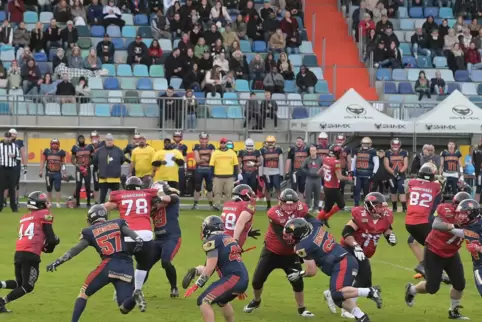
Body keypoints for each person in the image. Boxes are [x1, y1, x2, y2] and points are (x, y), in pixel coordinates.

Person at [45, 205, 143, 322]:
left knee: (83, 294)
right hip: (127, 267)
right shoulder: (118, 222)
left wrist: (58, 261)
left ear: (91, 218)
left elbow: (76, 249)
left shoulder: (89, 231)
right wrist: (138, 241)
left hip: (109, 264)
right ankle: (135, 297)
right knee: (123, 308)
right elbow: (134, 236)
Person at [284, 217, 383, 322]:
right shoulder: (315, 225)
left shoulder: (303, 246)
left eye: (291, 234)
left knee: (336, 293)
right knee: (337, 299)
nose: (288, 236)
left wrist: (299, 274)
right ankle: (361, 317)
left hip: (341, 262)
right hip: (344, 259)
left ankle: (370, 291)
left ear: (300, 233)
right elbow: (316, 220)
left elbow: (311, 271)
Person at [243, 189, 314, 317]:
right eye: (286, 204)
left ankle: (302, 308)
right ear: (280, 203)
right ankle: (256, 300)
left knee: (297, 282)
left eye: (292, 204)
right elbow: (284, 239)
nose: (289, 207)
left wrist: (317, 226)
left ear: (297, 203)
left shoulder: (302, 209)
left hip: (291, 254)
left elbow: (312, 221)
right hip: (272, 251)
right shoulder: (273, 214)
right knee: (257, 281)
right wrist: (303, 248)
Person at [324, 192, 394, 318]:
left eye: (382, 206)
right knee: (352, 275)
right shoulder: (361, 215)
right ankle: (347, 308)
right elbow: (346, 232)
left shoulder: (386, 216)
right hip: (349, 248)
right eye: (378, 206)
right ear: (369, 206)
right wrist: (355, 246)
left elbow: (386, 228)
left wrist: (390, 237)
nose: (381, 209)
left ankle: (332, 293)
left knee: (365, 280)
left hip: (364, 251)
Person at [405, 192, 472, 320]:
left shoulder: (472, 217)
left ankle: (454, 310)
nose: (466, 212)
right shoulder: (445, 209)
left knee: (459, 284)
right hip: (434, 251)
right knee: (432, 287)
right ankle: (412, 289)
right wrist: (454, 226)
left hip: (452, 253)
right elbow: (436, 224)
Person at [104, 177, 162, 312]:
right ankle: (137, 289)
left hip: (128, 234)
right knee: (142, 266)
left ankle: (119, 291)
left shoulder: (119, 194)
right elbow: (160, 195)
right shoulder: (148, 193)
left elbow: (107, 205)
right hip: (146, 235)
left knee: (121, 264)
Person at [183, 185, 260, 285]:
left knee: (210, 267)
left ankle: (196, 270)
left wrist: (247, 232)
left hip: (219, 239)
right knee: (231, 274)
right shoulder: (247, 206)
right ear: (245, 194)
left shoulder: (228, 204)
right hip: (229, 244)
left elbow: (227, 224)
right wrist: (235, 240)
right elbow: (240, 222)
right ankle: (221, 297)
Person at [0, 191, 59, 313]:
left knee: (19, 283)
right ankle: (2, 302)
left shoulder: (24, 217)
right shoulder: (44, 214)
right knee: (27, 286)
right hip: (30, 254)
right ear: (41, 204)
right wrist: (51, 246)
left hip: (19, 252)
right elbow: (51, 239)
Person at [183, 216, 249, 322]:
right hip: (242, 278)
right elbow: (211, 266)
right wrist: (196, 270)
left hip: (233, 278)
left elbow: (210, 267)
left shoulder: (212, 241)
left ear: (208, 228)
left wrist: (197, 284)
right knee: (222, 302)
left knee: (204, 301)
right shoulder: (227, 237)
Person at [405, 163, 442, 278]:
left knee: (414, 241)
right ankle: (428, 268)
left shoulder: (412, 183)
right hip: (426, 218)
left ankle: (426, 267)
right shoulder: (436, 186)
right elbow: (437, 186)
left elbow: (408, 192)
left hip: (415, 219)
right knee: (436, 245)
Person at [146, 181, 182, 298]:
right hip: (158, 238)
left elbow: (166, 199)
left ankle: (174, 287)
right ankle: (135, 288)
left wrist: (158, 193)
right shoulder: (153, 205)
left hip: (172, 237)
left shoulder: (173, 198)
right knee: (144, 264)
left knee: (166, 262)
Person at [317, 145, 352, 226]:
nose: (341, 154)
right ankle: (326, 217)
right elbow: (340, 177)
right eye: (341, 152)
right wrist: (349, 178)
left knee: (327, 207)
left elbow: (319, 172)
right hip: (333, 188)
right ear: (338, 153)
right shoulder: (336, 162)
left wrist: (327, 178)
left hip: (326, 186)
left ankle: (317, 220)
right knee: (341, 204)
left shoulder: (326, 159)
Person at [92, 134, 125, 203]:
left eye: (111, 140)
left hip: (115, 178)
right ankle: (101, 209)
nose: (109, 141)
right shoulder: (99, 151)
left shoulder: (119, 150)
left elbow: (122, 160)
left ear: (113, 141)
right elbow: (95, 161)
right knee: (102, 196)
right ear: (105, 141)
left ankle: (114, 207)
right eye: (107, 140)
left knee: (115, 196)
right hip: (103, 178)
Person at [210, 137, 240, 209]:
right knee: (217, 192)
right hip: (217, 176)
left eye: (224, 143)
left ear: (226, 144)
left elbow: (235, 165)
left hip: (229, 176)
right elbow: (212, 165)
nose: (223, 144)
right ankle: (217, 205)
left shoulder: (232, 153)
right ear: (219, 143)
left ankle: (227, 206)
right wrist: (212, 176)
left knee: (228, 193)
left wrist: (235, 175)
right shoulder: (215, 153)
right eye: (221, 143)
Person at [460, 201, 482, 297]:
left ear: (473, 213)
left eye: (464, 213)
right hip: (478, 265)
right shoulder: (466, 225)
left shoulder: (480, 225)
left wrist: (478, 248)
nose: (461, 216)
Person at [351, 137, 378, 207]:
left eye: (367, 144)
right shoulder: (357, 150)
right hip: (358, 174)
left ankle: (367, 205)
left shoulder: (373, 151)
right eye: (364, 144)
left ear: (370, 144)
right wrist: (351, 171)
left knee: (367, 192)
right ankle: (356, 205)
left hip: (368, 175)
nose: (365, 145)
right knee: (356, 190)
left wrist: (374, 173)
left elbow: (377, 163)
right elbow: (354, 161)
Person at [39, 138, 66, 208]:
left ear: (58, 145)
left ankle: (57, 202)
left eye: (56, 144)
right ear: (51, 144)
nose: (55, 145)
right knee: (49, 188)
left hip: (57, 173)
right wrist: (41, 170)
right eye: (53, 144)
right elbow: (43, 161)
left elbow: (63, 164)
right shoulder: (47, 151)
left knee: (58, 188)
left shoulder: (61, 152)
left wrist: (64, 172)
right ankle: (49, 202)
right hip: (49, 173)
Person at [192, 132, 216, 210]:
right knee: (197, 187)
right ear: (199, 139)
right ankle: (195, 204)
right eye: (202, 138)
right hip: (199, 169)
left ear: (208, 139)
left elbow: (212, 159)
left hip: (208, 169)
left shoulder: (212, 146)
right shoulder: (196, 146)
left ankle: (211, 205)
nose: (203, 140)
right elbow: (197, 160)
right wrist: (207, 159)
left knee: (209, 187)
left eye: (205, 138)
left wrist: (203, 158)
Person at [384, 138, 409, 212]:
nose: (395, 146)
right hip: (391, 175)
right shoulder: (387, 153)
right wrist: (393, 173)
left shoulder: (404, 152)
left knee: (402, 189)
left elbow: (406, 164)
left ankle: (404, 207)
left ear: (399, 145)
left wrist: (400, 171)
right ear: (391, 145)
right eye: (394, 145)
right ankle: (394, 207)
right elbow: (386, 165)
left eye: (397, 145)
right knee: (393, 190)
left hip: (401, 174)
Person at [259, 135, 284, 209]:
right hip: (266, 172)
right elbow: (261, 162)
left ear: (274, 142)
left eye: (271, 142)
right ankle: (268, 204)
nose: (270, 144)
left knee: (278, 188)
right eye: (269, 142)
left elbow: (281, 162)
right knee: (267, 189)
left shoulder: (279, 150)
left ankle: (279, 204)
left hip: (276, 172)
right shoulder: (262, 150)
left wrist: (281, 173)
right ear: (266, 142)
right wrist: (260, 173)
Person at [71, 134, 95, 208]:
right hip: (79, 169)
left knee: (88, 185)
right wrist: (78, 166)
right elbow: (72, 159)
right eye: (80, 139)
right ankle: (78, 203)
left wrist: (88, 165)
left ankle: (88, 203)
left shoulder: (89, 147)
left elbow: (93, 158)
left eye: (82, 138)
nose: (81, 140)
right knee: (78, 185)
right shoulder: (75, 148)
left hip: (87, 168)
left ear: (84, 139)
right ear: (78, 140)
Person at [286, 137, 309, 202]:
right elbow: (288, 160)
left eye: (300, 141)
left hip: (304, 172)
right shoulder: (292, 149)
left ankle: (300, 203)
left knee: (302, 188)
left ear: (303, 142)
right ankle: (294, 202)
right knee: (293, 187)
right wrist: (287, 172)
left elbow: (310, 160)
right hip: (295, 171)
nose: (298, 142)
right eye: (297, 141)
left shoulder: (307, 149)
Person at [301, 145, 323, 213]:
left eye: (314, 150)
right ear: (309, 151)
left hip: (318, 179)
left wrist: (321, 173)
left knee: (317, 193)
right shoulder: (307, 159)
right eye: (311, 150)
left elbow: (323, 166)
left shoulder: (320, 159)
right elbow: (302, 167)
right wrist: (308, 173)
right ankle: (308, 207)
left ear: (316, 151)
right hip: (309, 178)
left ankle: (316, 207)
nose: (312, 152)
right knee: (308, 193)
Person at [88, 131, 105, 203]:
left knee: (104, 185)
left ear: (98, 137)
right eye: (93, 137)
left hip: (103, 167)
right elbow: (89, 158)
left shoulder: (103, 144)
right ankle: (96, 201)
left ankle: (102, 201)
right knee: (96, 185)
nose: (94, 139)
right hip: (96, 167)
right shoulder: (89, 146)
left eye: (95, 137)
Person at [172, 131, 188, 195]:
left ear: (181, 138)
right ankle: (173, 192)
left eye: (178, 137)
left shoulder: (184, 146)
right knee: (172, 180)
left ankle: (181, 193)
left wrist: (185, 166)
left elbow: (185, 156)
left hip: (180, 165)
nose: (177, 138)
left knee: (181, 180)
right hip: (172, 165)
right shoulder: (170, 145)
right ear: (173, 137)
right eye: (176, 136)